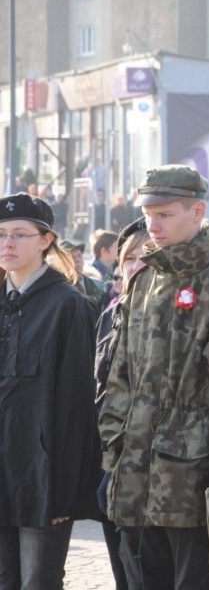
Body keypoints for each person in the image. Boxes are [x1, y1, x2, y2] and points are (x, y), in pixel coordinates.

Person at [97, 165, 209, 590]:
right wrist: (116, 448)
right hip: (136, 478)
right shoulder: (144, 280)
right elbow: (119, 376)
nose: (153, 224)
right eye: (149, 213)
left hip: (193, 485)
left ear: (198, 210)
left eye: (165, 214)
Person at [0, 193, 99, 589]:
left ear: (45, 240)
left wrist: (64, 490)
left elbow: (77, 407)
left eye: (20, 234)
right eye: (2, 234)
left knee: (38, 581)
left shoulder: (68, 305)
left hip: (43, 479)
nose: (8, 243)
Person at [94, 217, 150, 590]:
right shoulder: (111, 315)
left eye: (145, 257)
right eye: (128, 259)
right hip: (111, 466)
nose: (135, 266)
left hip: (154, 473)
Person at [59, 238, 109, 315]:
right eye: (72, 257)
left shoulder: (99, 286)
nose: (77, 260)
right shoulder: (57, 288)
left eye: (79, 256)